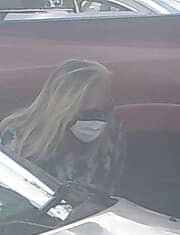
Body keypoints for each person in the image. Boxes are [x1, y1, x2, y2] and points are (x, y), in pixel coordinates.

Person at [0, 59, 125, 195]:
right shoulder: (20, 136)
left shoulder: (112, 131)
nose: (98, 120)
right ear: (63, 106)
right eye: (87, 112)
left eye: (105, 110)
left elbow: (109, 191)